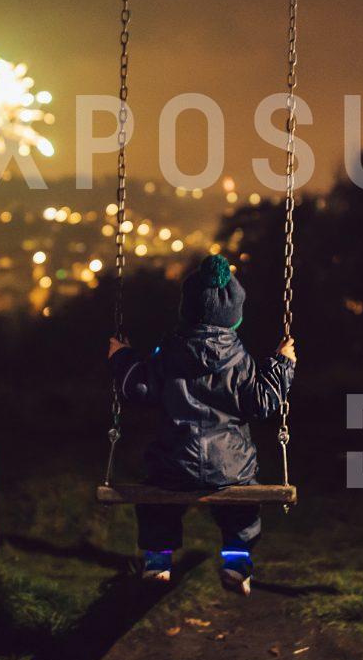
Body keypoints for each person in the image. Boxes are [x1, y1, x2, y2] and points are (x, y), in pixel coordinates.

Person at [108, 253, 296, 595]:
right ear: (234, 318)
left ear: (187, 311)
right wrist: (283, 363)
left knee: (156, 504)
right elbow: (265, 402)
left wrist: (121, 356)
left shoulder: (167, 354)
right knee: (241, 509)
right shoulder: (240, 361)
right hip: (231, 466)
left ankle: (158, 561)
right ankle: (237, 564)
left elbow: (138, 388)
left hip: (173, 461)